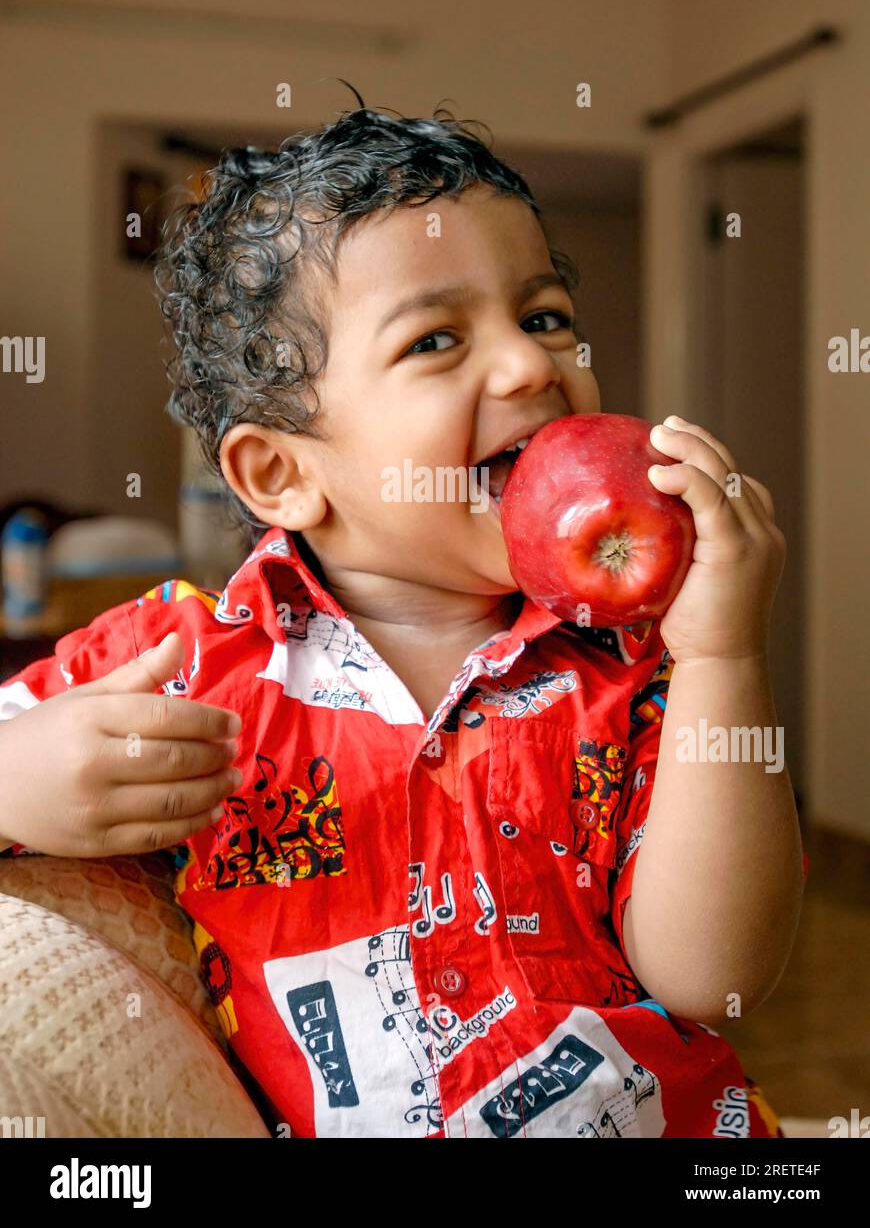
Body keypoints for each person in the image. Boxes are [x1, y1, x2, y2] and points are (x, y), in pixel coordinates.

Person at [0, 93, 806, 1138]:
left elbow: (714, 977)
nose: (528, 366)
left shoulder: (638, 659)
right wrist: (18, 779)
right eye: (436, 338)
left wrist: (725, 653)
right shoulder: (182, 656)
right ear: (282, 473)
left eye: (545, 315)